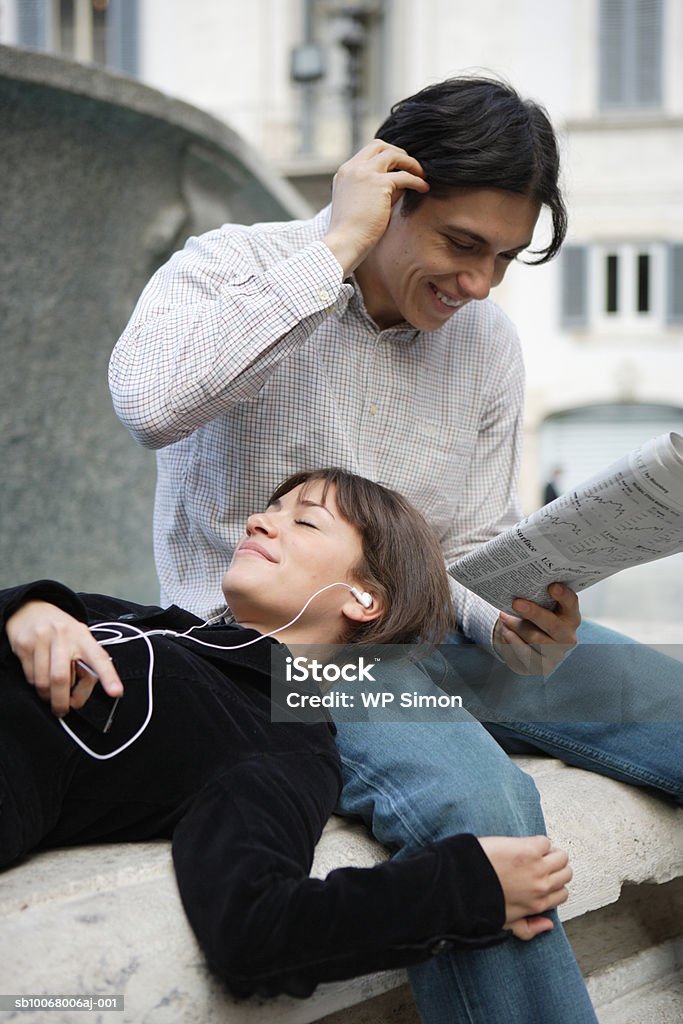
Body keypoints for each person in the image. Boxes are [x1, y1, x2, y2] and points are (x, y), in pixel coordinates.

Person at [109, 76, 682, 1022]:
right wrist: (329, 250)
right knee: (482, 812)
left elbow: (474, 540)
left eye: (503, 257)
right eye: (462, 246)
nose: (480, 284)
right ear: (387, 192)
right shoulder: (231, 268)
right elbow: (151, 404)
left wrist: (520, 618)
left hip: (448, 638)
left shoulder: (486, 340)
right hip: (295, 660)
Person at [1, 468, 573, 999]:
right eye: (270, 509)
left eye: (304, 520)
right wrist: (28, 610)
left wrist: (465, 887)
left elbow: (256, 928)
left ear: (363, 598)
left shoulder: (275, 737)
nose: (258, 520)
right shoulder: (160, 623)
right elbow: (41, 610)